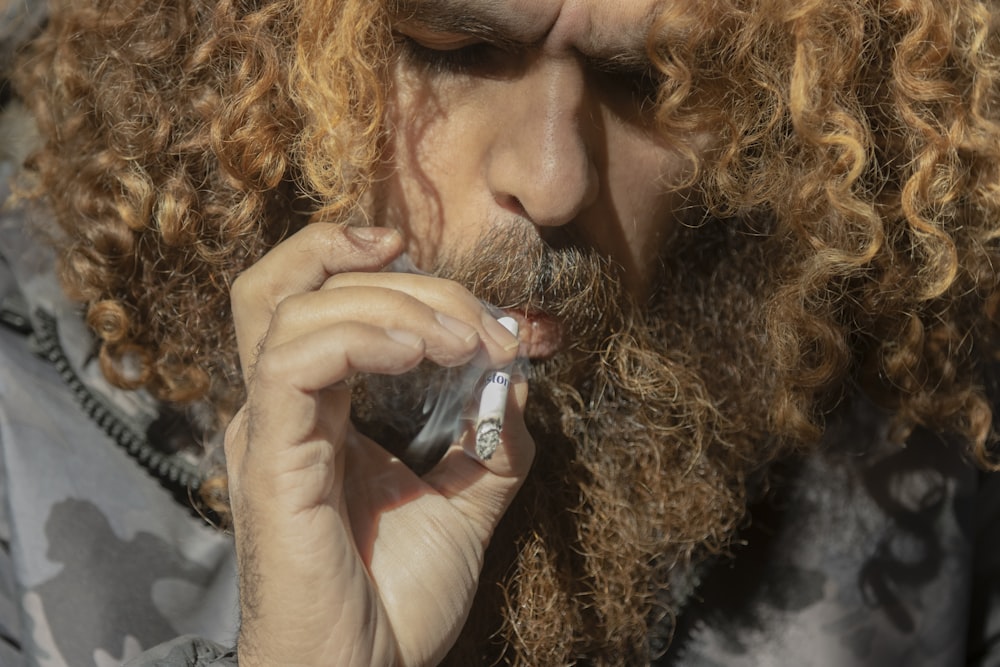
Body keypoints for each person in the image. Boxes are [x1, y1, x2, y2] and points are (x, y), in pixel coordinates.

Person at [1, 0, 999, 664]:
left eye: (653, 81)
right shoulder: (17, 435)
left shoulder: (928, 448)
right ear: (251, 54)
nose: (554, 179)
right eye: (456, 50)